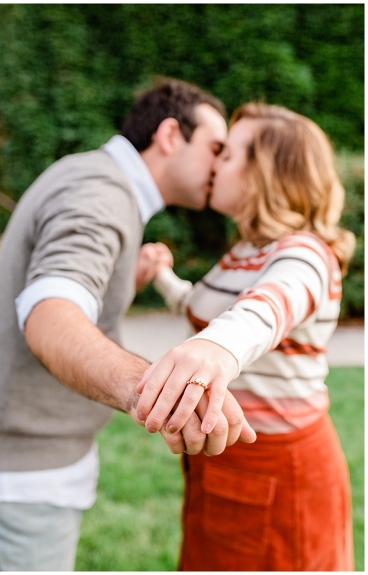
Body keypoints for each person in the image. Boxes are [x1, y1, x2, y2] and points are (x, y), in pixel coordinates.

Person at [0, 78, 256, 571]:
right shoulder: (100, 191)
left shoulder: (100, 181)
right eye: (216, 148)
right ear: (170, 135)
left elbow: (77, 299)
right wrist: (155, 389)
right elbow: (51, 313)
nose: (221, 165)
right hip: (22, 485)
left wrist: (127, 279)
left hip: (33, 468)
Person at [137, 103, 355, 570]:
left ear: (265, 174)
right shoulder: (245, 251)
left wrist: (218, 348)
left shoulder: (305, 253)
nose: (214, 163)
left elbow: (268, 308)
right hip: (221, 458)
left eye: (228, 154)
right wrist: (163, 276)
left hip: (277, 468)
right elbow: (211, 310)